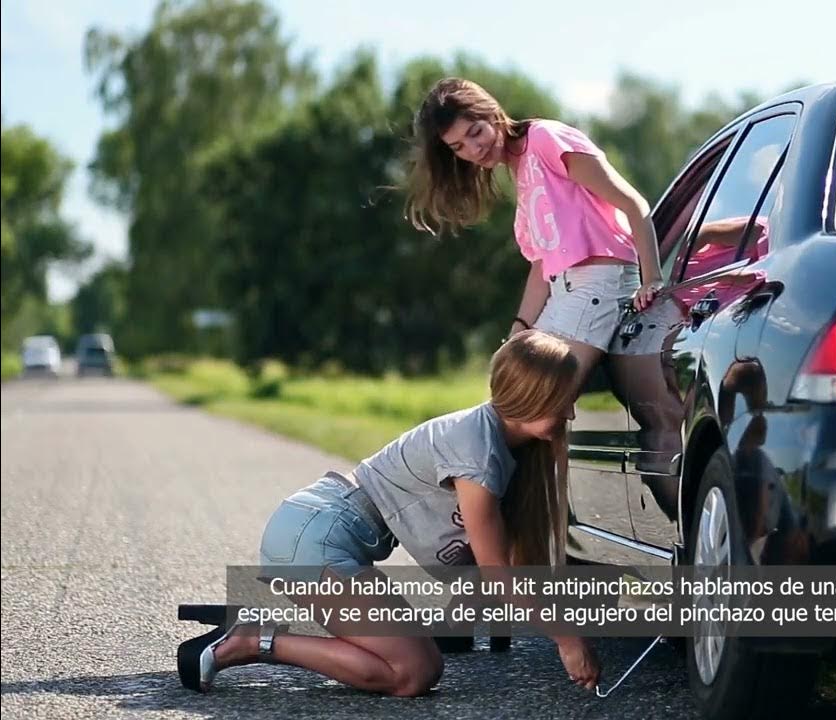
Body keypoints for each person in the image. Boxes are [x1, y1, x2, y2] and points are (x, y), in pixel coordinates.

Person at [176, 330, 600, 695]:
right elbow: (496, 570)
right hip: (315, 538)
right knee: (412, 673)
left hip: (321, 531)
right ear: (532, 394)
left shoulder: (496, 441)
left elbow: (498, 558)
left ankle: (272, 631)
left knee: (417, 665)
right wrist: (566, 639)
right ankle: (251, 640)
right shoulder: (475, 451)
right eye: (562, 399)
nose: (571, 412)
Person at [404, 77, 664, 393]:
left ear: (492, 113)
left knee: (535, 398)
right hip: (565, 292)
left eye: (476, 132)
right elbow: (542, 267)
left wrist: (651, 278)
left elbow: (633, 204)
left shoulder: (546, 139)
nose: (473, 149)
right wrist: (518, 331)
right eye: (458, 146)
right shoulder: (521, 169)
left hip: (600, 284)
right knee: (508, 385)